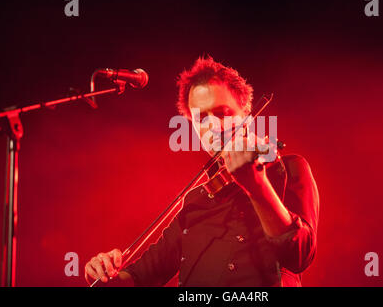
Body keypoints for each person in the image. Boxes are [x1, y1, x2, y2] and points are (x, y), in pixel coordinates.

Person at [84, 56, 319, 287]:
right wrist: (105, 275)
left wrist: (257, 186)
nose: (214, 127)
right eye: (202, 118)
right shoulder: (196, 199)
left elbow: (300, 255)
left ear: (246, 115)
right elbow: (142, 277)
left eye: (222, 113)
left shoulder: (286, 169)